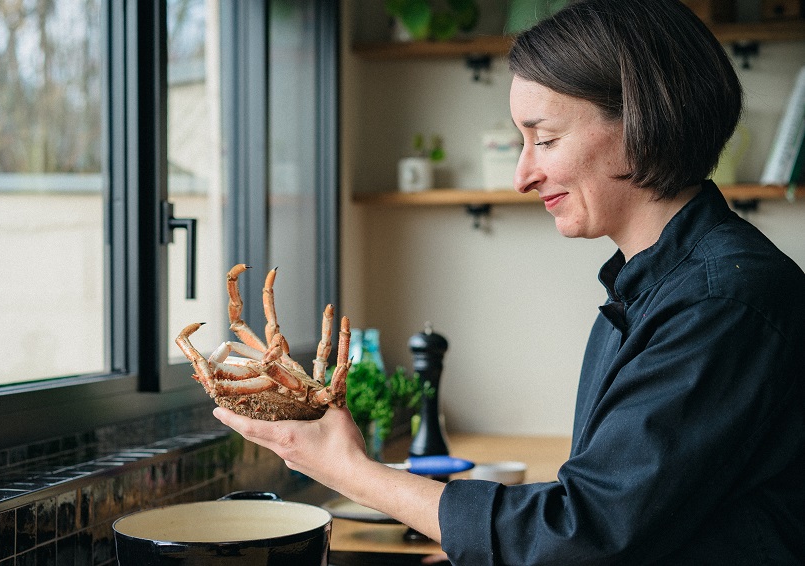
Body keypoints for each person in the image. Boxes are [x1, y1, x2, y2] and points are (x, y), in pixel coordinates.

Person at [214, 0, 805, 563]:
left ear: (642, 123)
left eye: (545, 138)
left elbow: (583, 534)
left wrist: (350, 471)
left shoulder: (721, 301)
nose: (523, 174)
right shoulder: (655, 287)